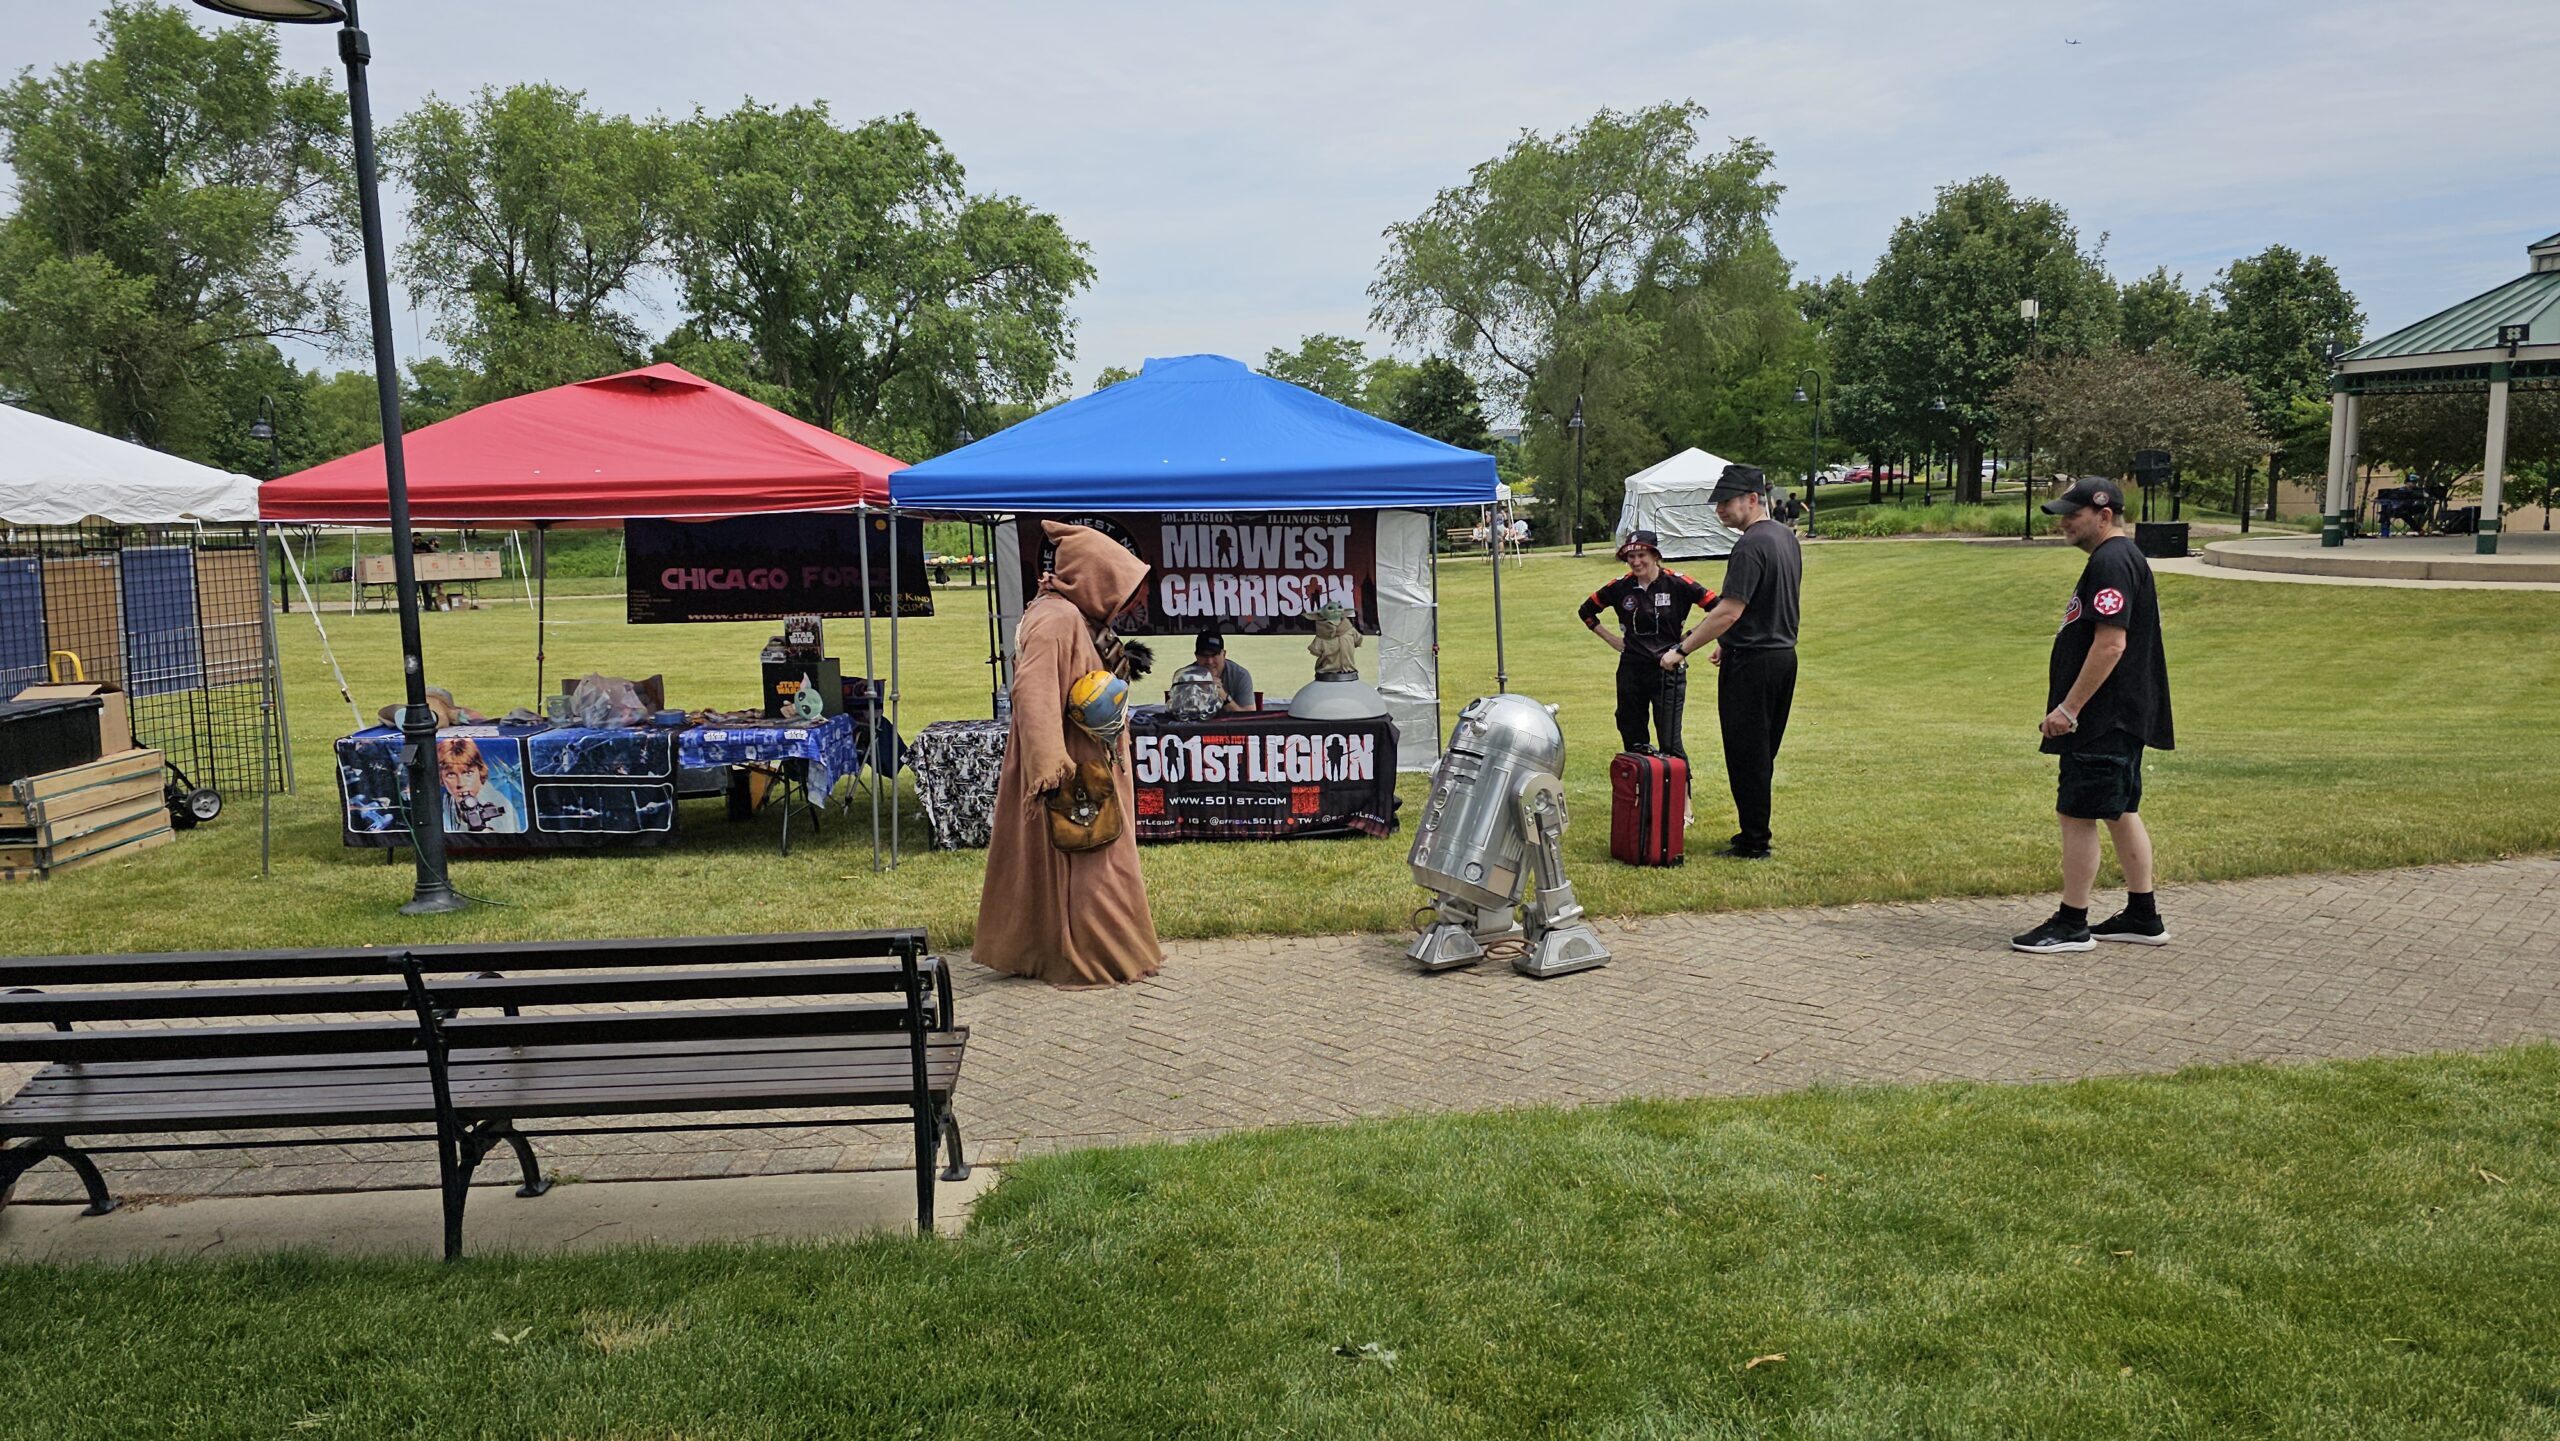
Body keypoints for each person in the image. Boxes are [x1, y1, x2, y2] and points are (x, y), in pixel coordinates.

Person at [976, 521, 1163, 987]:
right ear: (1092, 576)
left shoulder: (1078, 617)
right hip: (1074, 773)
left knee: (1096, 860)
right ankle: (1095, 958)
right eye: (1117, 583)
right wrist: (1051, 767)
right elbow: (1033, 693)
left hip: (1091, 763)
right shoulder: (1055, 620)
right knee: (1089, 865)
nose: (1126, 598)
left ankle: (1087, 950)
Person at [2011, 479, 2176, 953]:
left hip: (2104, 717)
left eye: (2073, 514)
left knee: (2077, 812)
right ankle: (2143, 916)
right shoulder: (2119, 559)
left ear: (2104, 515)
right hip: (2119, 714)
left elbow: (2111, 643)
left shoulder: (2112, 561)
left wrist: (2069, 708)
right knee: (2120, 809)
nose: (2064, 521)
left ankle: (2071, 923)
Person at [1664, 464, 1803, 859]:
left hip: (1754, 665)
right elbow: (1770, 601)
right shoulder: (1785, 538)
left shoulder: (1750, 545)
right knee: (1762, 751)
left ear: (1753, 499)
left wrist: (1682, 648)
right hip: (1781, 658)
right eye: (1718, 503)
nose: (1720, 510)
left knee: (1747, 753)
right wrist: (1729, 641)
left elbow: (1729, 609)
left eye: (1727, 502)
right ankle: (1755, 831)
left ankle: (1754, 841)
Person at [1579, 529, 1714, 770]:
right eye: (1631, 557)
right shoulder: (1619, 587)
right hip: (1631, 669)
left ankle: (1683, 805)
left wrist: (1687, 641)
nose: (1636, 562)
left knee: (1670, 743)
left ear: (1655, 555)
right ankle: (1641, 797)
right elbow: (1586, 611)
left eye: (1641, 555)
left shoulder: (1678, 583)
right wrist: (1611, 639)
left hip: (1667, 670)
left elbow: (1718, 609)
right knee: (1632, 736)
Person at [1194, 631, 1254, 712]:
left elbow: (1249, 717)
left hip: (1231, 724)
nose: (1209, 661)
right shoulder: (1185, 677)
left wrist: (1223, 697)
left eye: (1214, 655)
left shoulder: (1240, 675)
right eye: (1204, 655)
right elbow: (1179, 715)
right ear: (1196, 656)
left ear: (1224, 654)